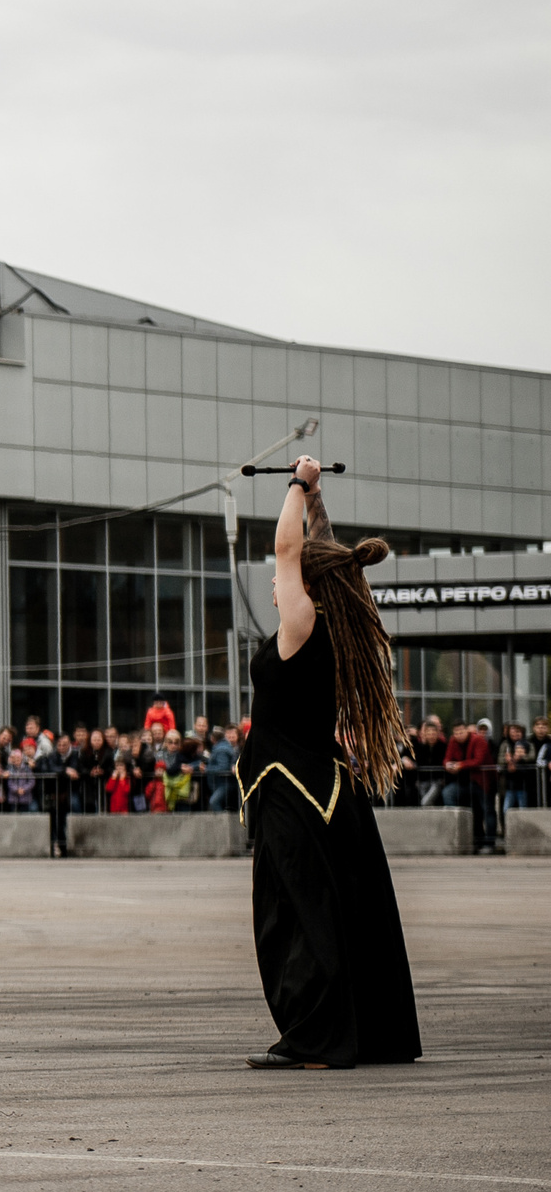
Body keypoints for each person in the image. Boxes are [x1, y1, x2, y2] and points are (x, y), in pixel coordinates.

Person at [238, 455, 419, 1070]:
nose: (274, 581)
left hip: (295, 791)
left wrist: (295, 482)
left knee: (293, 918)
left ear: (309, 585)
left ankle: (315, 1039)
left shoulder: (304, 621)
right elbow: (316, 549)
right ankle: (353, 1033)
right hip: (328, 791)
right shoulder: (340, 621)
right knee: (338, 912)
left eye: (286, 578)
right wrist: (314, 496)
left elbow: (289, 552)